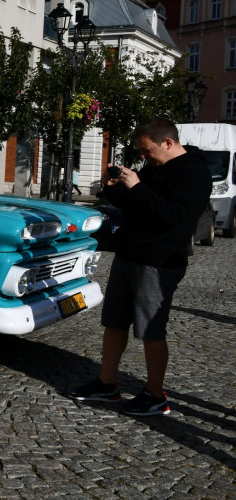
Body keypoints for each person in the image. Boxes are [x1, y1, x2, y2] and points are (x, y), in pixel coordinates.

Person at [67, 118, 211, 416]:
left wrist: (138, 187)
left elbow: (174, 216)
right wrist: (113, 189)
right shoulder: (155, 167)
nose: (144, 157)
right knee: (114, 321)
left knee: (150, 330)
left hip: (159, 262)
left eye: (147, 151)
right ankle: (107, 385)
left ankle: (155, 395)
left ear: (168, 143)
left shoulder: (194, 172)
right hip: (129, 254)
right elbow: (135, 204)